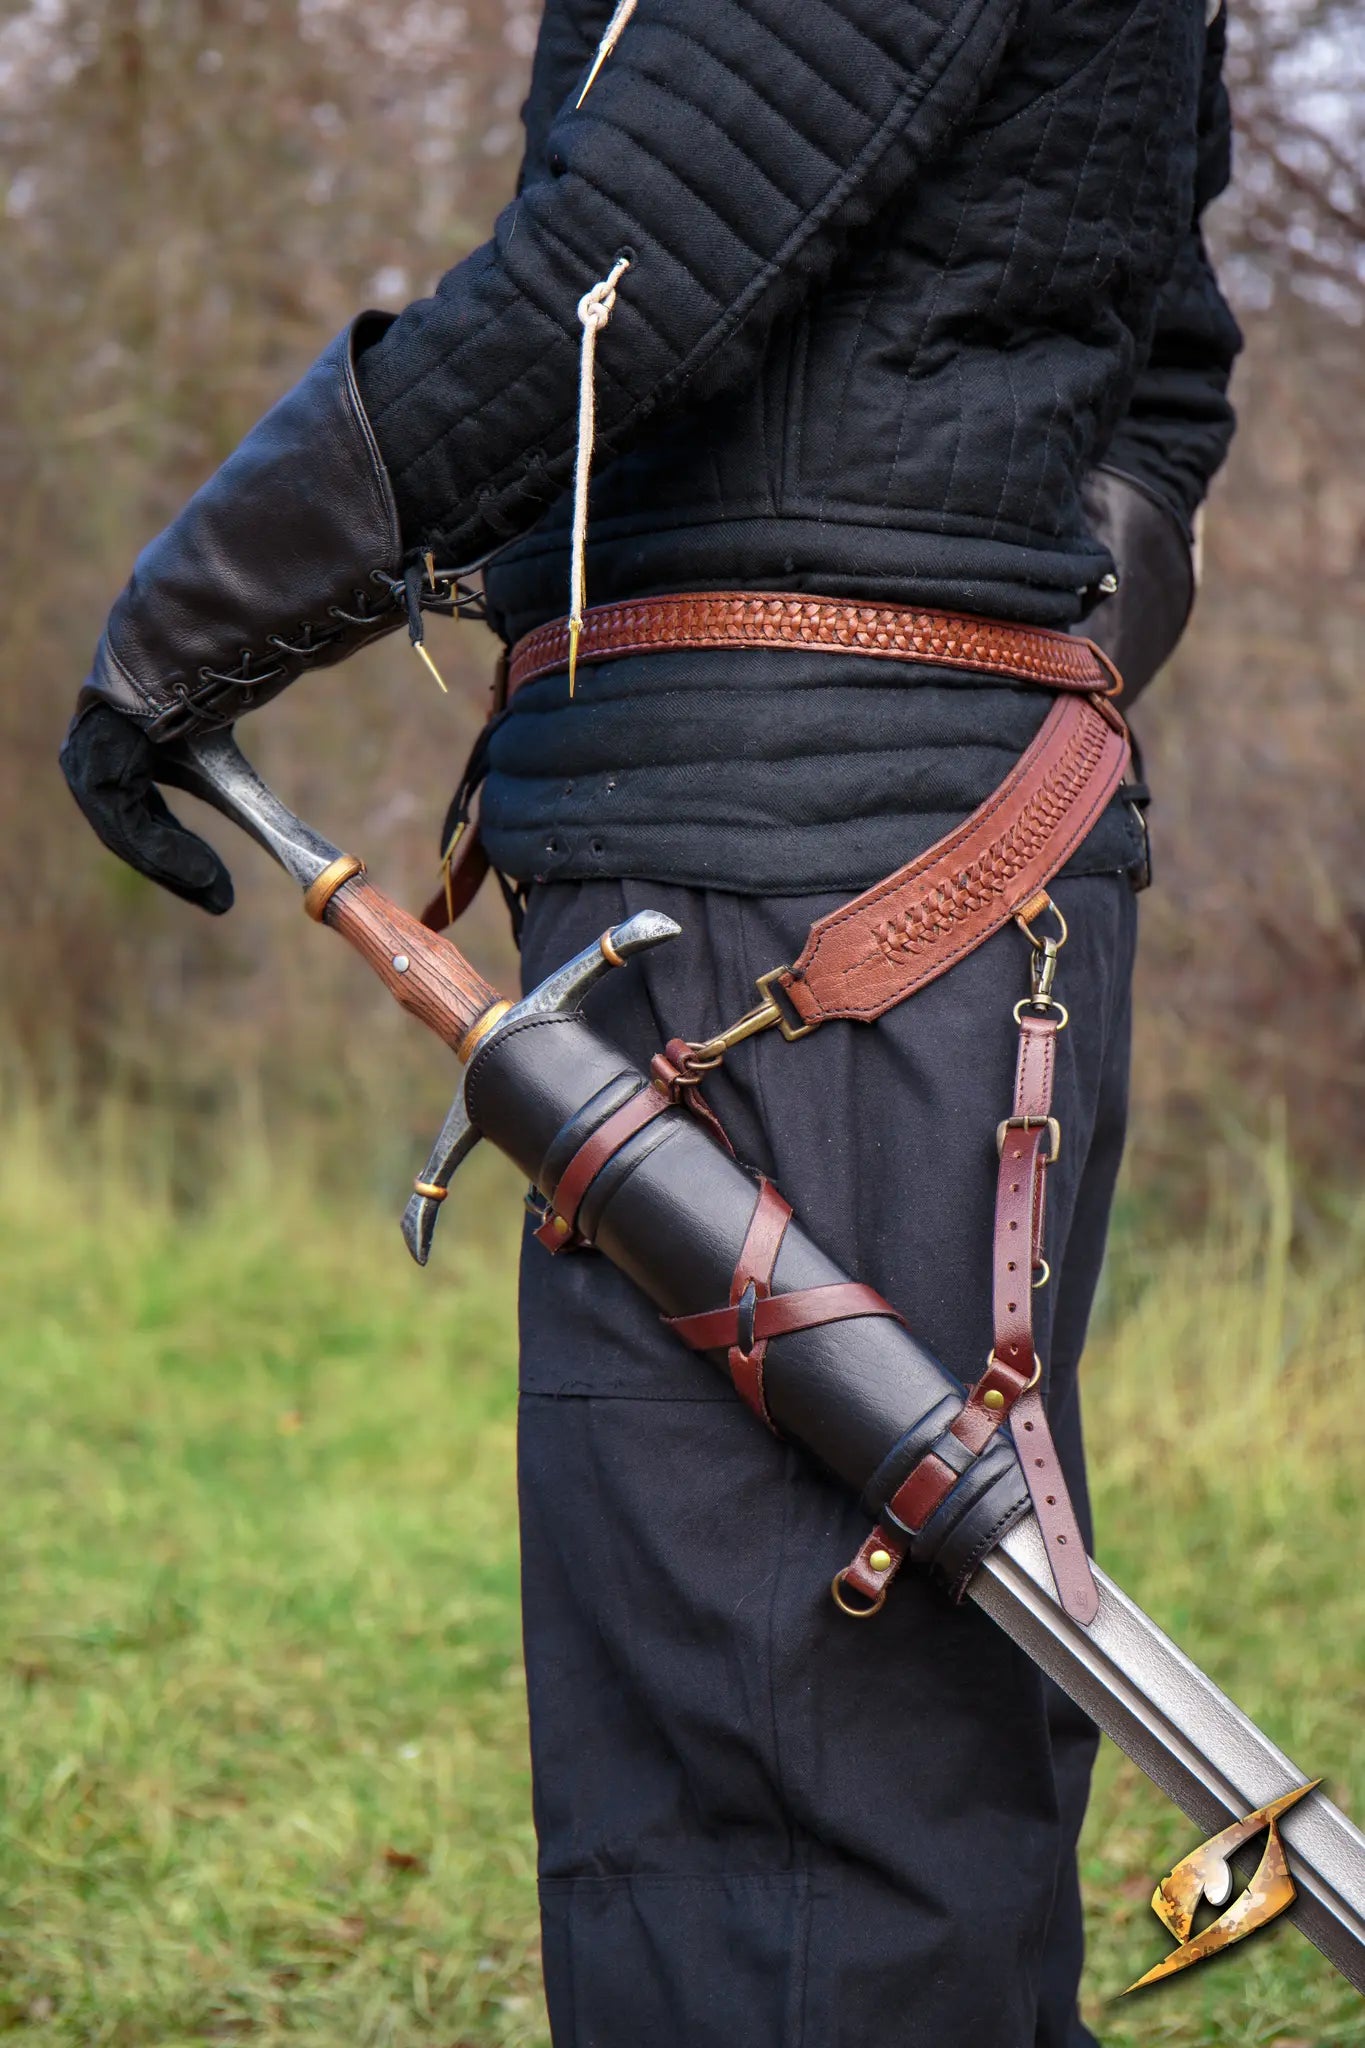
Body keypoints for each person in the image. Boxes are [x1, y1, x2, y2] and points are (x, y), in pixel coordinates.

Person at [61, 1, 1241, 2041]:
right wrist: (983, 730)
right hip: (851, 888)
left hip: (805, 922)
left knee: (787, 1793)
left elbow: (629, 269)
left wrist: (189, 617)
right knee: (822, 1756)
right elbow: (1160, 366)